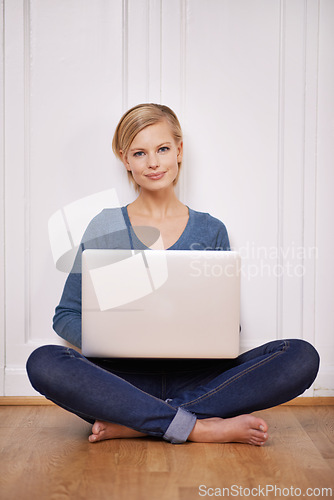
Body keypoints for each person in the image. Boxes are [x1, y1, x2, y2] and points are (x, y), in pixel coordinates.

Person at [26, 103, 319, 446]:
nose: (152, 162)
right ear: (126, 160)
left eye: (162, 149)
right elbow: (66, 316)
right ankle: (199, 426)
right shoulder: (106, 226)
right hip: (123, 380)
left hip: (199, 377)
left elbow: (227, 327)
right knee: (43, 361)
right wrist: (118, 335)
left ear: (179, 151)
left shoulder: (211, 230)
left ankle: (141, 421)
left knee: (301, 355)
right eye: (139, 153)